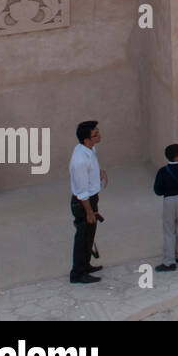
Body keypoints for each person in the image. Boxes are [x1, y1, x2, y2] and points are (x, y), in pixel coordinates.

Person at [69, 120, 106, 284]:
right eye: (95, 134)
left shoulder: (89, 150)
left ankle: (85, 265)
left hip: (91, 199)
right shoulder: (80, 160)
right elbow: (82, 192)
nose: (99, 135)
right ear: (86, 139)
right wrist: (90, 211)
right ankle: (77, 273)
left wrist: (100, 172)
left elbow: (92, 168)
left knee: (89, 235)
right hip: (84, 203)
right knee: (83, 237)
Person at [153, 143, 178, 269]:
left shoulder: (162, 171)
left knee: (169, 230)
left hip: (169, 200)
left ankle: (169, 261)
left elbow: (157, 190)